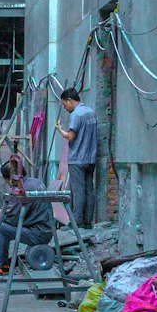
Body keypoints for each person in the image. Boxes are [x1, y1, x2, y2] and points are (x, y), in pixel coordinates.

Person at [0, 160, 54, 279]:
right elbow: (19, 211)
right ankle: (2, 263)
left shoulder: (21, 190)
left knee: (0, 228)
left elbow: (13, 219)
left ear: (10, 179)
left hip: (38, 233)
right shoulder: (35, 182)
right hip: (44, 229)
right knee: (3, 227)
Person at [54, 86, 98, 227]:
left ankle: (77, 221)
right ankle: (88, 221)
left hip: (78, 158)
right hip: (91, 157)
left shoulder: (76, 114)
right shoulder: (91, 112)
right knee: (89, 189)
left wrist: (59, 128)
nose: (65, 107)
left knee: (78, 191)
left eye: (64, 104)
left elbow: (70, 136)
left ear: (70, 100)